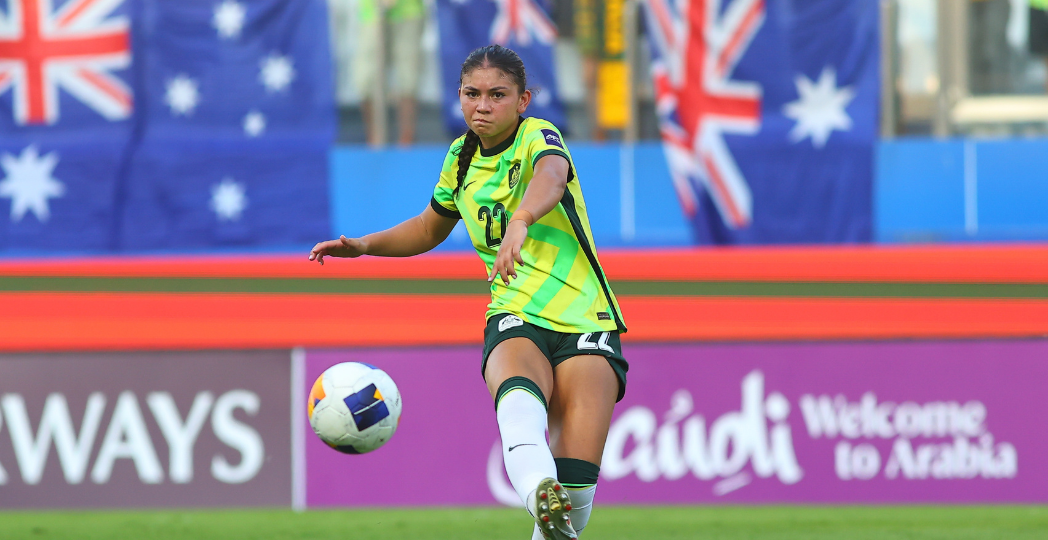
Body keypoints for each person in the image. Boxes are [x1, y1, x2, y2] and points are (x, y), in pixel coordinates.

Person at [309, 44, 628, 540]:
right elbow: (428, 227)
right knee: (516, 396)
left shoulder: (539, 137)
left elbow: (552, 175)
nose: (483, 105)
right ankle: (540, 485)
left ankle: (554, 499)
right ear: (458, 97)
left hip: (587, 317)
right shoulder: (460, 159)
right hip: (515, 310)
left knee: (577, 500)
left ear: (523, 100)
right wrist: (365, 246)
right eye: (472, 94)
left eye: (497, 95)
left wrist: (521, 218)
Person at [353, 0, 424, 145]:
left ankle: (406, 144)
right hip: (371, 13)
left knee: (408, 80)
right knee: (365, 80)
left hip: (408, 12)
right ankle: (374, 143)